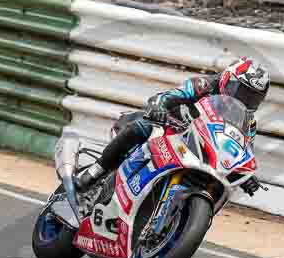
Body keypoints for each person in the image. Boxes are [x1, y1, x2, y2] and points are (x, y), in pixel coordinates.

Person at [76, 57, 270, 194]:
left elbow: (242, 151)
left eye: (252, 97)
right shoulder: (203, 85)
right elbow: (166, 97)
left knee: (219, 187)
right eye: (241, 91)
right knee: (141, 127)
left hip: (200, 154)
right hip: (170, 130)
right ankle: (95, 172)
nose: (243, 99)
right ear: (227, 79)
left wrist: (246, 176)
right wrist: (159, 108)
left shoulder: (248, 123)